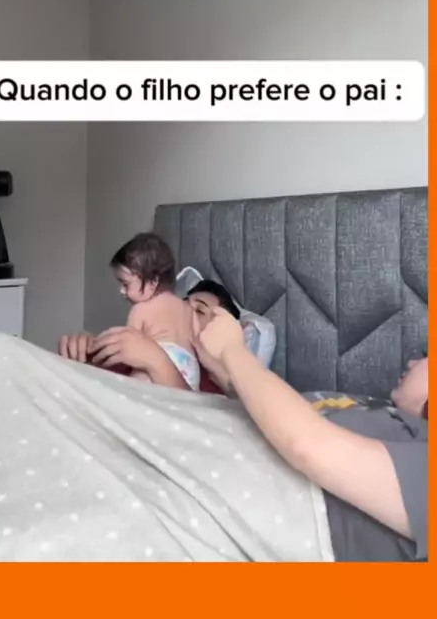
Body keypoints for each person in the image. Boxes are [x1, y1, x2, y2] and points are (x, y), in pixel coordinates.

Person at [192, 308, 428, 562]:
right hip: (231, 446)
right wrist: (231, 377)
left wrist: (232, 351)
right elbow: (287, 418)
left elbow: (308, 445)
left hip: (250, 502)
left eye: (427, 357)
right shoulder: (381, 410)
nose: (412, 362)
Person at [60, 233, 200, 391]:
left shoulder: (140, 309)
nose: (121, 291)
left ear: (153, 283)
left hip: (159, 360)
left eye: (125, 284)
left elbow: (126, 347)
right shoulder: (186, 307)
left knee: (131, 392)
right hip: (189, 369)